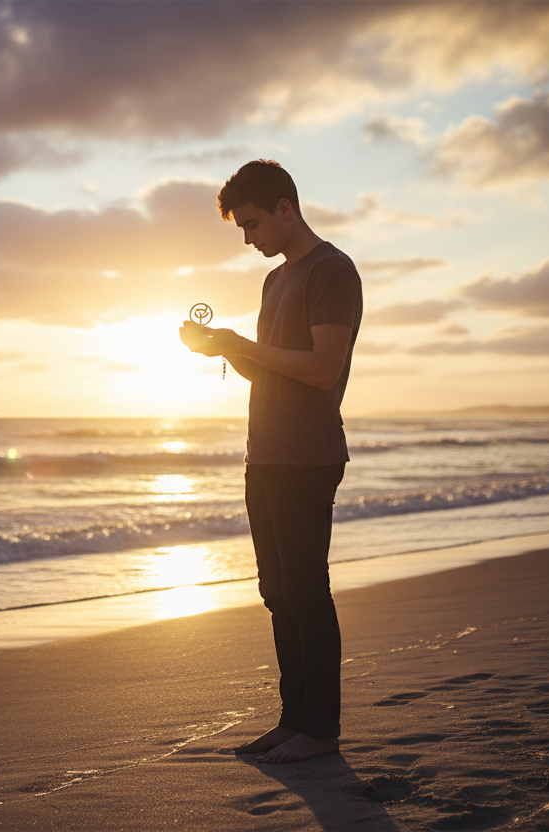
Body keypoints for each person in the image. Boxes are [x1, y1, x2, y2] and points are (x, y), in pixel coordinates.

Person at [180, 159, 362, 764]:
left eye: (254, 224)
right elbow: (270, 368)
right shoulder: (273, 281)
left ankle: (322, 731)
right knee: (276, 590)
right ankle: (294, 720)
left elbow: (320, 369)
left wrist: (239, 344)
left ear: (286, 208)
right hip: (265, 453)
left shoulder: (332, 271)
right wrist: (223, 346)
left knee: (307, 589)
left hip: (308, 456)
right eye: (241, 229)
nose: (249, 237)